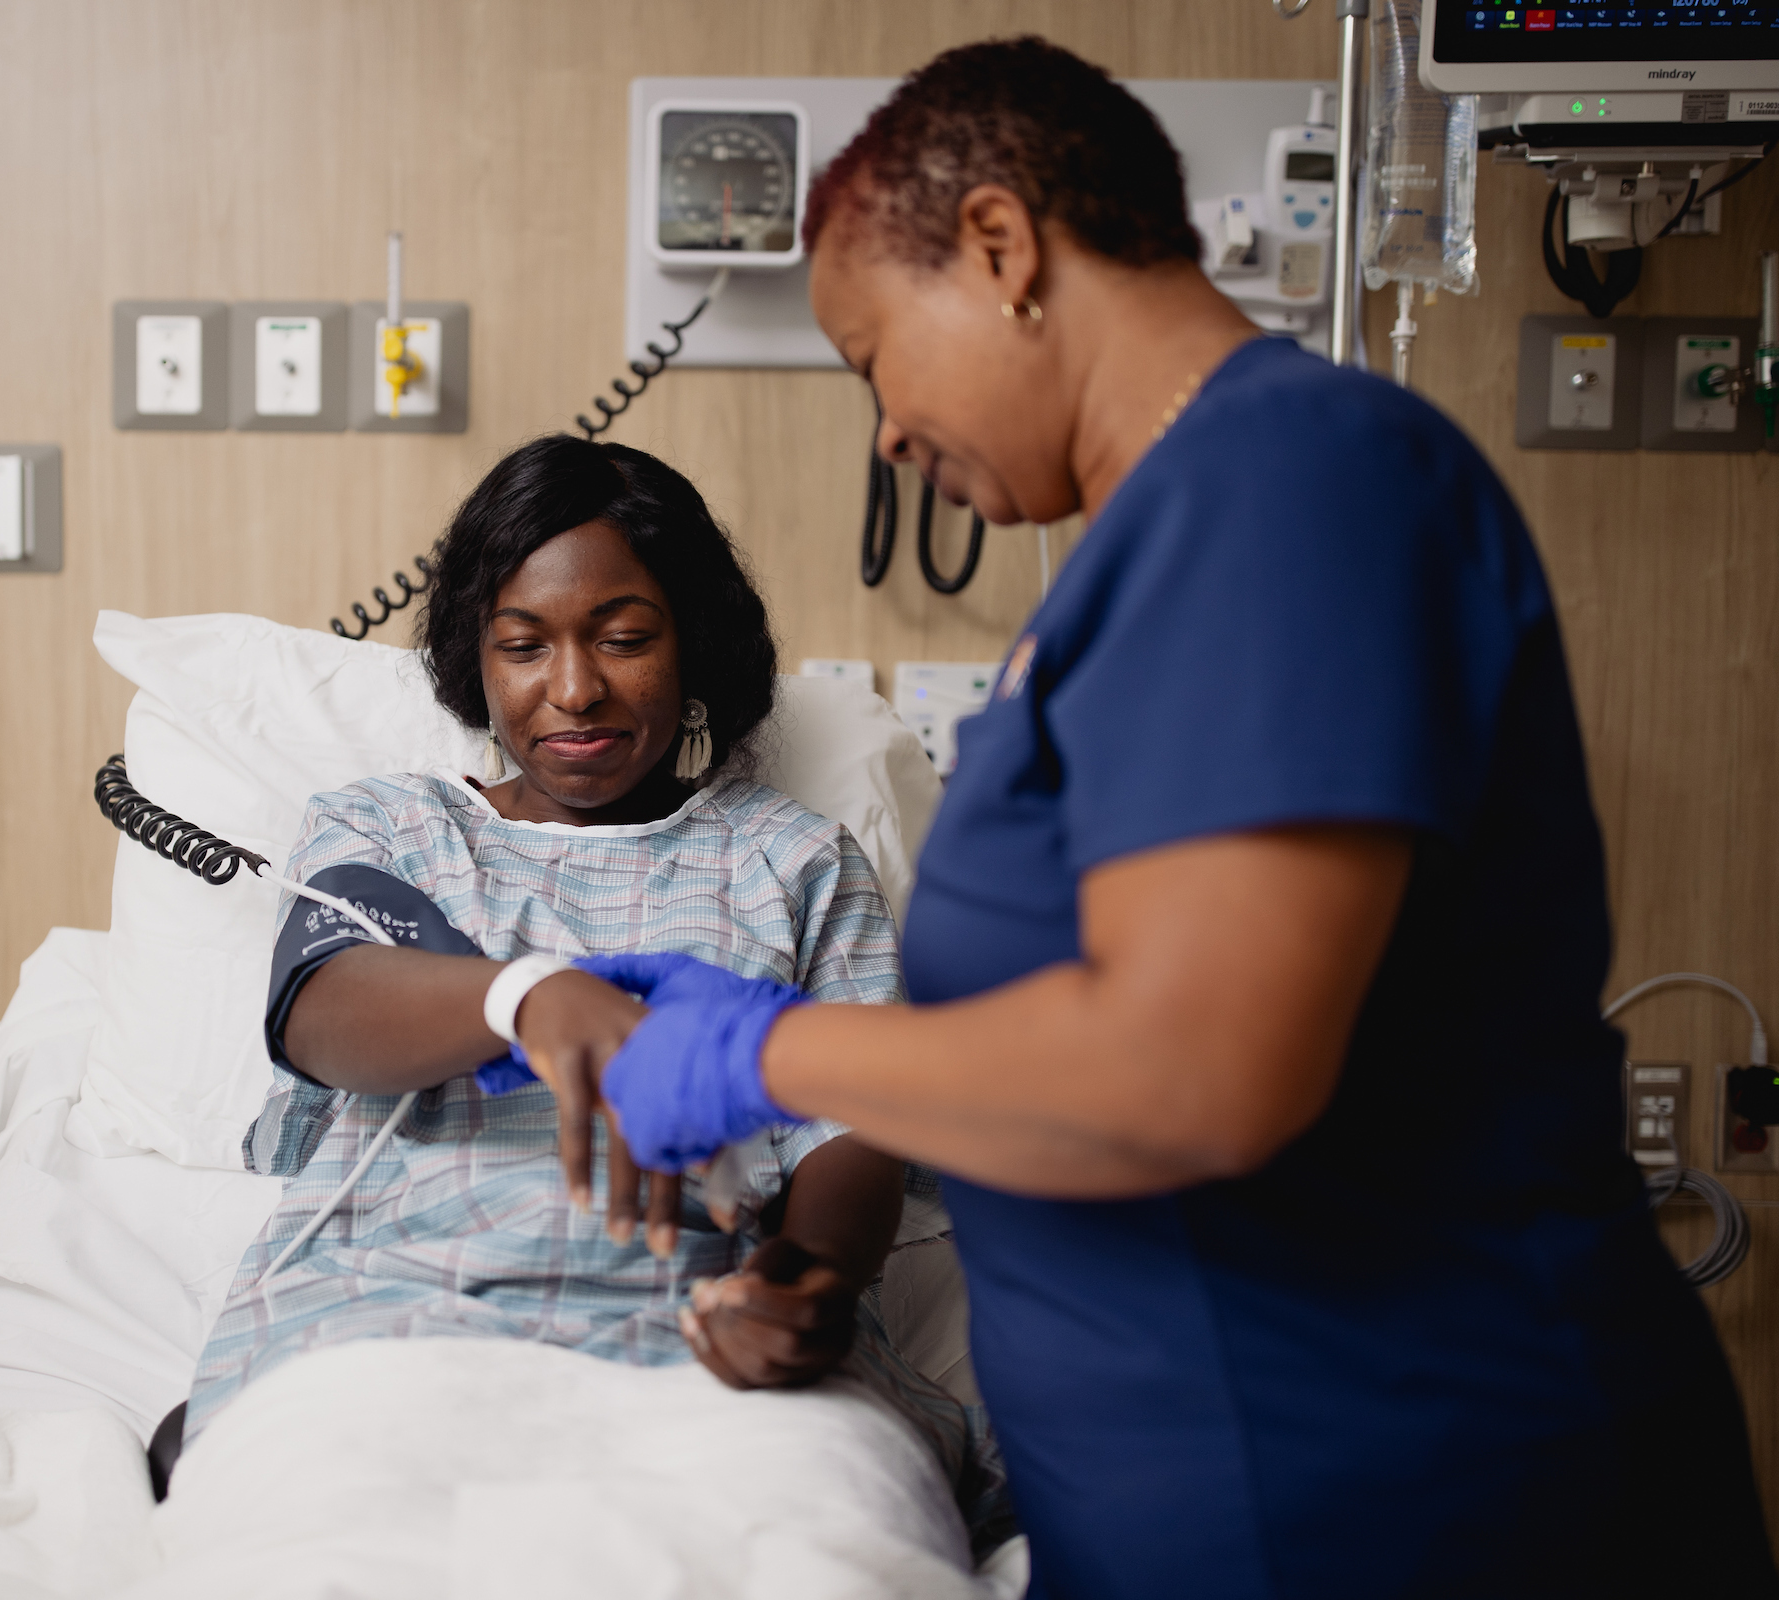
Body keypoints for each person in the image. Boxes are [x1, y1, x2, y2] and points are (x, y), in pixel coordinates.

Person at [544, 37, 1776, 1600]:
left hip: (1415, 1503)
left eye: (872, 363)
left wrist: (756, 1053)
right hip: (1202, 1508)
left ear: (999, 247)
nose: (890, 438)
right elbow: (1070, 1030)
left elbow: (1191, 1074)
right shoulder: (1145, 560)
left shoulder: (1293, 482)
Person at [158, 435, 993, 1534]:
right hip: (393, 1309)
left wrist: (806, 1284)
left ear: (691, 643)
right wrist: (527, 996)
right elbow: (323, 1006)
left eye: (626, 638)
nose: (574, 689)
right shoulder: (392, 827)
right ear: (478, 658)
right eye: (523, 646)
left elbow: (853, 1126)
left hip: (694, 1330)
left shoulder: (788, 858)